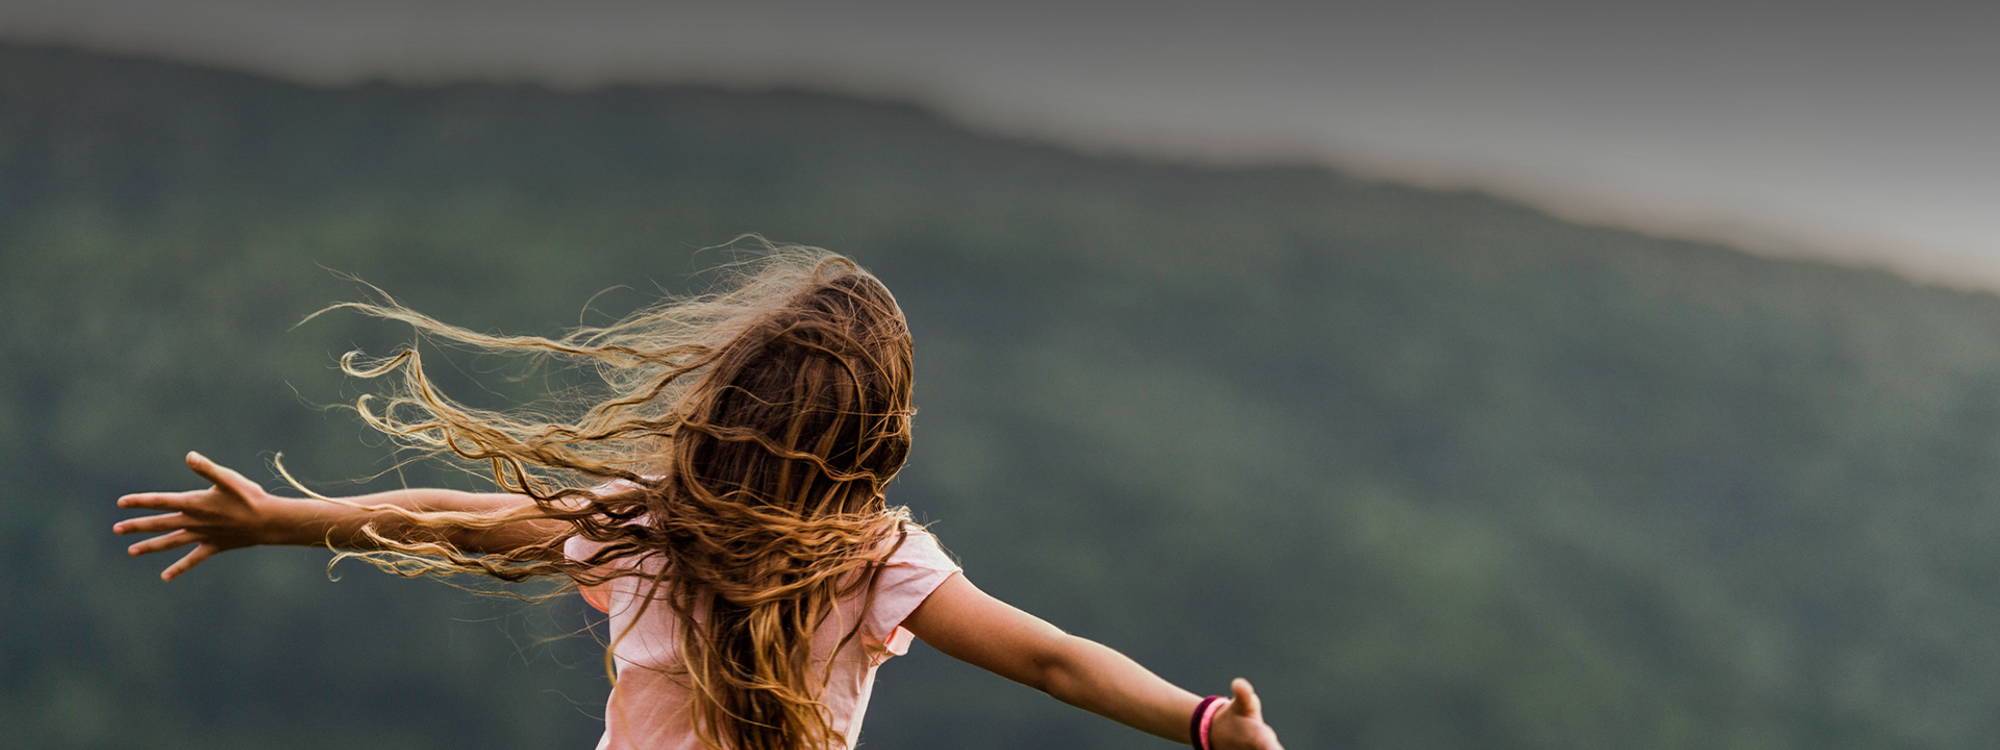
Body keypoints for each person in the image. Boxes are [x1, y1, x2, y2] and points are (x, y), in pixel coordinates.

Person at [112, 246, 1285, 750]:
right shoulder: (879, 567)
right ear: (873, 440)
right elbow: (1054, 661)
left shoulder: (643, 527)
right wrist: (1199, 722)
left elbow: (458, 523)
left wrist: (279, 520)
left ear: (727, 407)